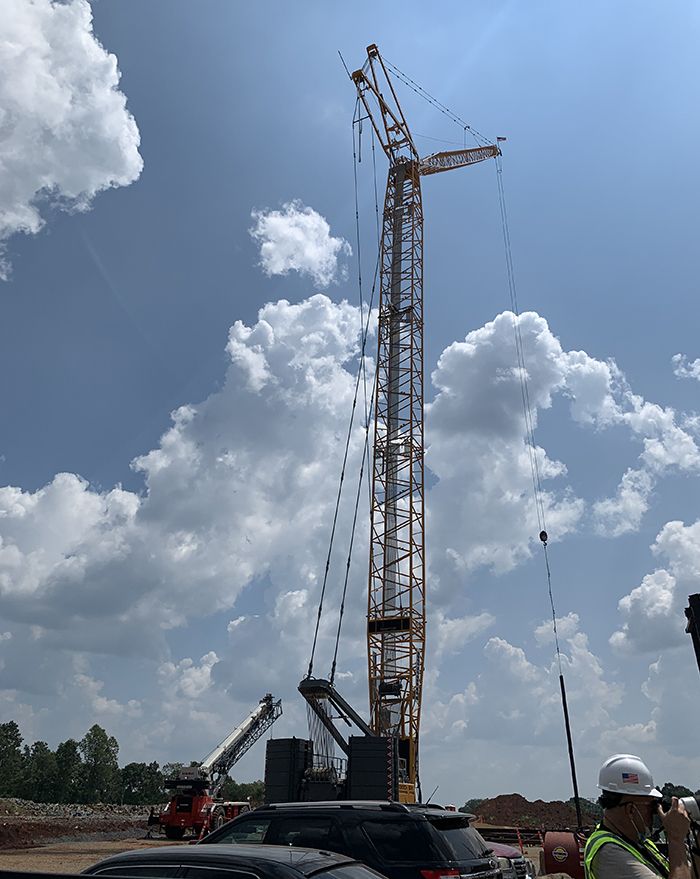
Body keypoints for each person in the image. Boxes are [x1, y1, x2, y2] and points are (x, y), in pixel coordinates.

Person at [584, 754, 693, 879]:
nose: (656, 812)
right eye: (652, 805)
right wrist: (675, 839)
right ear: (631, 809)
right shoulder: (609, 852)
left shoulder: (640, 844)